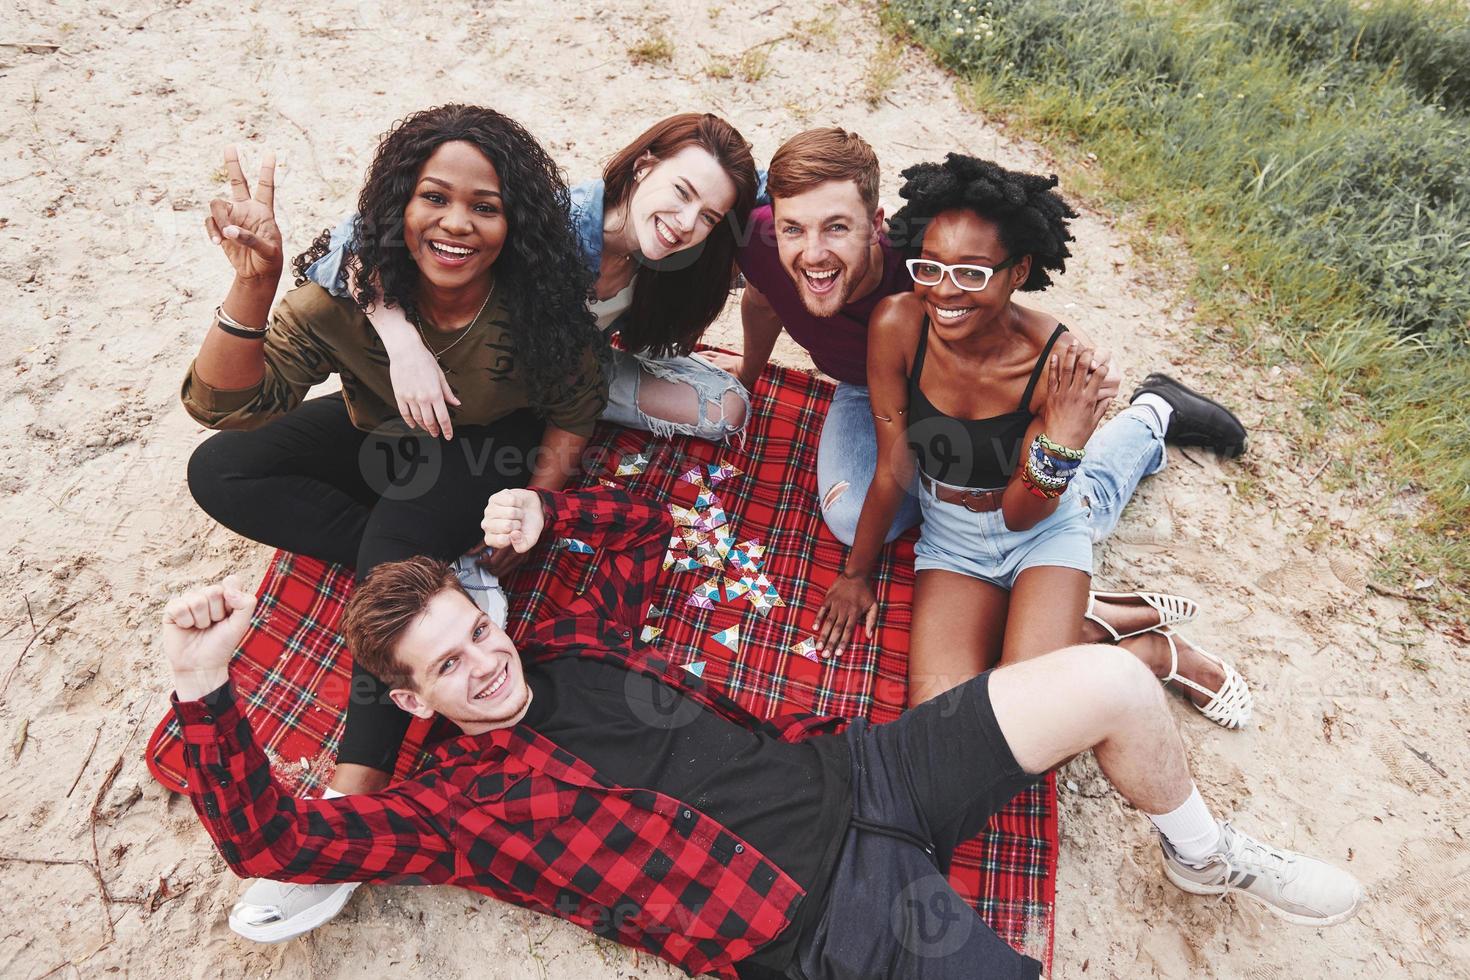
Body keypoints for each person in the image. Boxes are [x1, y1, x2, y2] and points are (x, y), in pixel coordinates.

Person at [163, 485, 1364, 977]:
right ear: (414, 702)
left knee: (1106, 679)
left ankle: (1203, 851)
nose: (483, 662)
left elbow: (647, 533)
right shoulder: (454, 809)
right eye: (447, 668)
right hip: (817, 913)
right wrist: (201, 686)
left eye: (474, 632)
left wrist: (535, 520)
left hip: (862, 763)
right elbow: (274, 836)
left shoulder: (564, 638)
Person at [181, 105, 607, 932]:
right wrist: (253, 284)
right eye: (434, 197)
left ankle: (343, 821)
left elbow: (575, 408)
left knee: (389, 556)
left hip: (486, 451)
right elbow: (224, 405)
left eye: (485, 206)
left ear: (512, 221)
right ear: (397, 205)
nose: (457, 223)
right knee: (223, 470)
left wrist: (541, 507)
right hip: (379, 429)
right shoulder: (344, 298)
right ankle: (430, 571)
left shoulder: (534, 305)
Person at [812, 154, 1253, 724]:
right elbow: (894, 466)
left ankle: (1151, 650)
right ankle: (1092, 619)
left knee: (1034, 716)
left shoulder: (1060, 364)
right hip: (950, 542)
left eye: (972, 273)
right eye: (930, 267)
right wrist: (855, 574)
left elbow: (1025, 514)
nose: (945, 293)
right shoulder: (898, 323)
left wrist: (1068, 436)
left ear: (1018, 271)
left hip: (1039, 528)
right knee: (944, 722)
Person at [302, 113, 759, 445]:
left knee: (725, 409)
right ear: (643, 167)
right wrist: (403, 346)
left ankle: (551, 415)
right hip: (479, 369)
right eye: (681, 193)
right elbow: (348, 242)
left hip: (568, 370)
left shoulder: (688, 255)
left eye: (708, 216)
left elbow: (784, 199)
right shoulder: (554, 218)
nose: (685, 222)